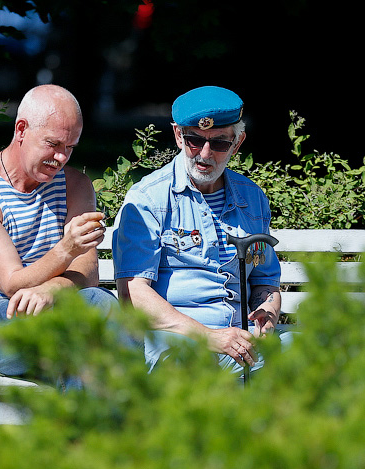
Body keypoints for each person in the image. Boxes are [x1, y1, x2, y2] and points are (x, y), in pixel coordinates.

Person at [0, 84, 116, 378]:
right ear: (21, 130)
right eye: (53, 144)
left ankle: (88, 422)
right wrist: (66, 249)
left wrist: (54, 289)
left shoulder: (75, 186)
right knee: (96, 317)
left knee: (96, 320)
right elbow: (13, 284)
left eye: (70, 148)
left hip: (47, 316)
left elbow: (88, 272)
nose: (61, 157)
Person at [112, 85, 288, 374]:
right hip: (178, 342)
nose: (204, 154)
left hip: (241, 340)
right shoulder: (148, 198)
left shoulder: (252, 197)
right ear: (178, 136)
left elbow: (265, 280)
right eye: (195, 140)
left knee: (317, 354)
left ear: (238, 142)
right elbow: (133, 294)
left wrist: (266, 316)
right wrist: (212, 337)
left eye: (219, 144)